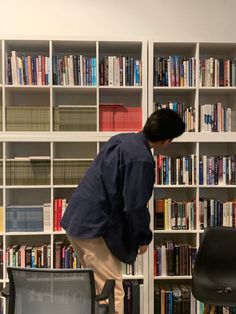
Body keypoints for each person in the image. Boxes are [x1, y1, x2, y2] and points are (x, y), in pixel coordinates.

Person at [61, 108, 185, 314]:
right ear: (167, 140)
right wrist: (143, 239)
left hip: (76, 220)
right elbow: (135, 206)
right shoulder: (141, 158)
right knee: (112, 291)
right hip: (93, 227)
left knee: (96, 288)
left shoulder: (120, 139)